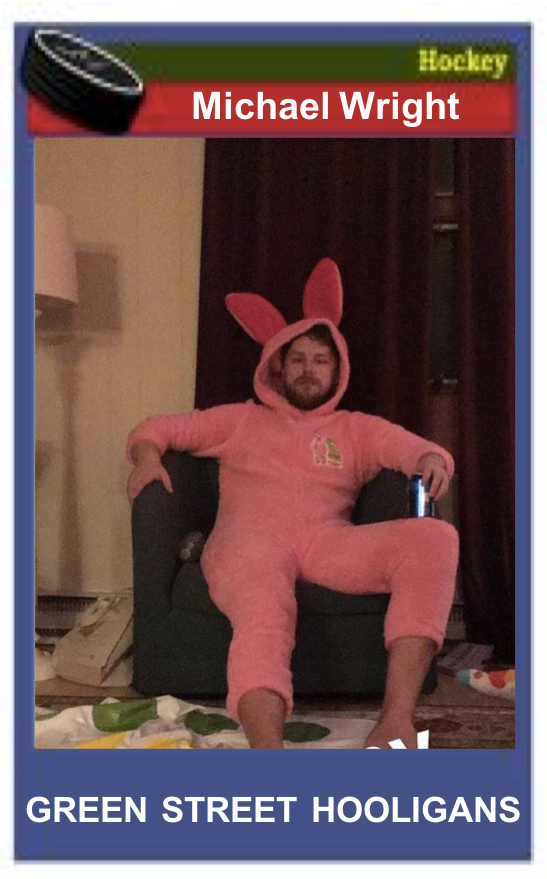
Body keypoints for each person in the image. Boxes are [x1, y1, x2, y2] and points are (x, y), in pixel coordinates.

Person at [126, 258, 459, 749]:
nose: (308, 369)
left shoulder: (355, 429)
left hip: (326, 543)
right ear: (278, 366)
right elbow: (157, 428)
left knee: (435, 537)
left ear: (337, 369)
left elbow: (415, 449)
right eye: (297, 359)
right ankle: (270, 757)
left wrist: (433, 459)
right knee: (266, 607)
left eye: (320, 360)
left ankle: (395, 722)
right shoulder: (241, 419)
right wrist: (147, 458)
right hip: (248, 544)